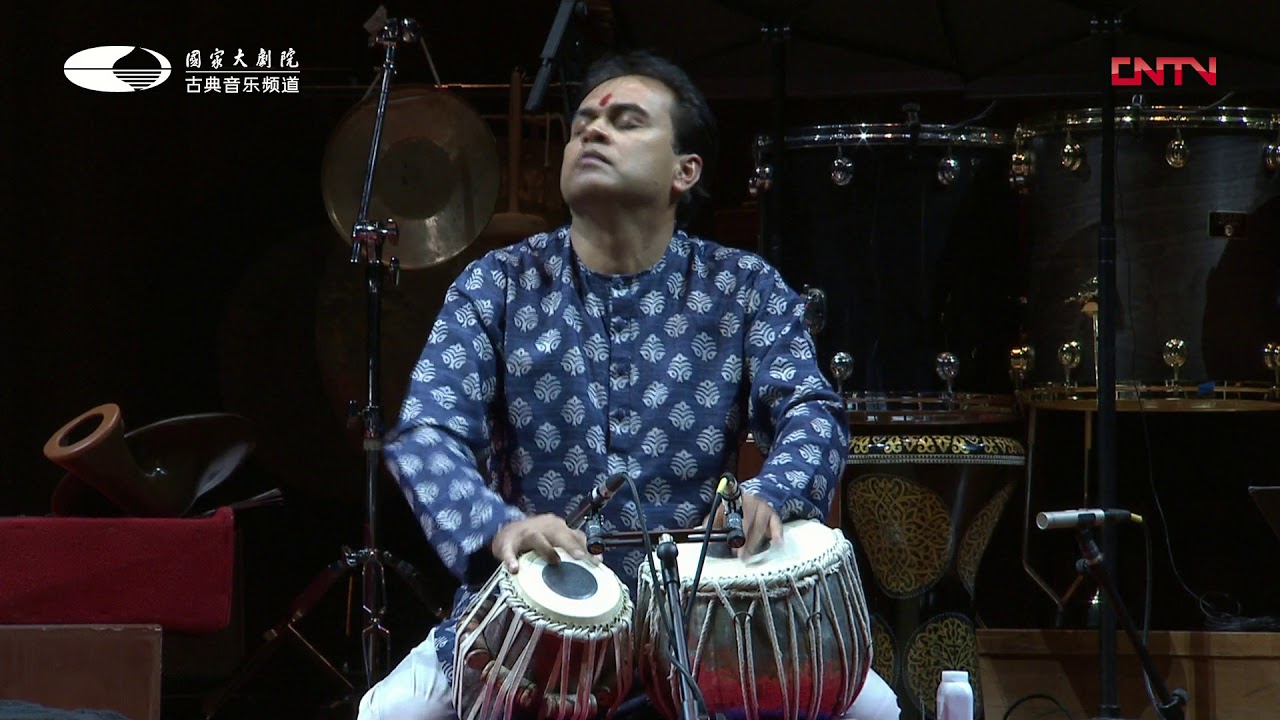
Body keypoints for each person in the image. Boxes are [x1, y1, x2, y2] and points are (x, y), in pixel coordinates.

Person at [358, 50, 900, 720]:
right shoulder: (498, 284)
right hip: (534, 617)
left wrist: (774, 493)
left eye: (625, 120)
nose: (593, 130)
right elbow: (425, 434)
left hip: (705, 623)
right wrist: (499, 530)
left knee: (872, 710)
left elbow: (813, 412)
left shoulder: (743, 287)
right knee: (390, 713)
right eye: (584, 120)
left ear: (684, 171)